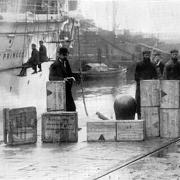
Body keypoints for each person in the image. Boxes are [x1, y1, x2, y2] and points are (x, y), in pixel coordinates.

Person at [49, 47, 76, 111]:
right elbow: (51, 78)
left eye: (66, 55)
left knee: (72, 108)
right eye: (64, 55)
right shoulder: (54, 65)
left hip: (67, 89)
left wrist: (74, 77)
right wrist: (62, 79)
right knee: (65, 108)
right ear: (60, 55)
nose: (66, 57)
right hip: (60, 91)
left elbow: (69, 73)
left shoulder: (66, 62)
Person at [135, 50, 158, 119]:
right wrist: (140, 81)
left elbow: (155, 75)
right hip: (141, 85)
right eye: (145, 55)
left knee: (150, 100)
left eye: (148, 55)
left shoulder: (152, 65)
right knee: (139, 100)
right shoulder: (139, 64)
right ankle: (139, 115)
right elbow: (136, 75)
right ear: (143, 56)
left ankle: (150, 115)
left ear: (149, 56)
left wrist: (153, 81)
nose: (147, 56)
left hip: (150, 86)